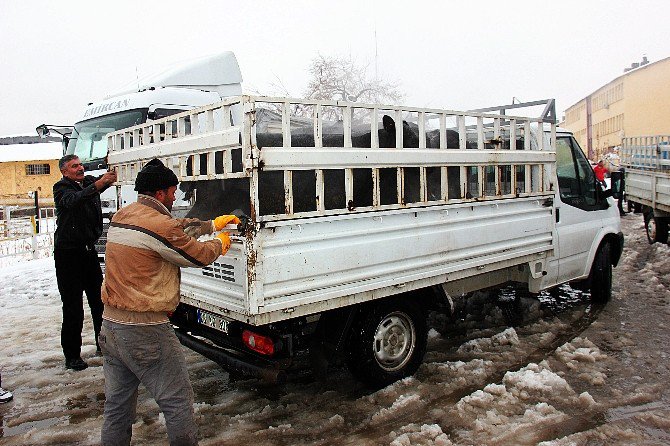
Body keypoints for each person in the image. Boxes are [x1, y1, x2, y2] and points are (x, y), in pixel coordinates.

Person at [99, 158, 239, 446]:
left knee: (117, 407)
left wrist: (211, 223)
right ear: (161, 193)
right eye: (173, 191)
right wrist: (219, 242)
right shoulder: (159, 225)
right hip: (145, 330)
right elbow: (195, 254)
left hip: (111, 327)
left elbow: (171, 230)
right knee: (177, 402)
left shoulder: (123, 216)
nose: (177, 196)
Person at [53, 155, 117, 371]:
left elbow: (100, 183)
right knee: (73, 307)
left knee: (99, 302)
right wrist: (100, 183)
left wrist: (109, 176)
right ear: (64, 171)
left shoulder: (88, 182)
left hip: (88, 253)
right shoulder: (61, 188)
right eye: (74, 166)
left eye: (80, 164)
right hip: (68, 255)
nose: (80, 168)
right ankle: (72, 355)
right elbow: (74, 200)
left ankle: (104, 345)